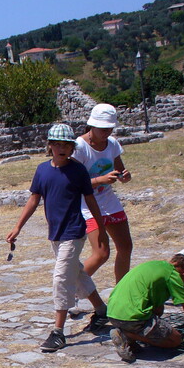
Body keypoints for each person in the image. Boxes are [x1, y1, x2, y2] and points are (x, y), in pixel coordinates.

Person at [6, 123, 109, 352]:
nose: (62, 148)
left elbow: (90, 199)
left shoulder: (79, 171)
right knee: (77, 274)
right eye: (57, 144)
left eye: (67, 145)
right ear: (50, 146)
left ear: (72, 147)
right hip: (56, 233)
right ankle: (102, 311)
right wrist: (18, 228)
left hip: (74, 232)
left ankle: (58, 332)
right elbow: (34, 200)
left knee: (61, 278)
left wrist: (101, 226)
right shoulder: (42, 170)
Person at [107, 249, 184, 362]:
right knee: (175, 340)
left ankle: (130, 334)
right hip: (132, 318)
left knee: (159, 309)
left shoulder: (155, 265)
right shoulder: (174, 275)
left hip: (112, 313)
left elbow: (157, 305)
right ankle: (127, 335)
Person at [72, 103, 134, 282]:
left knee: (125, 247)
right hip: (86, 204)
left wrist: (125, 176)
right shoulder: (79, 147)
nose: (106, 133)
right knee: (101, 253)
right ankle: (73, 289)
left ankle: (121, 292)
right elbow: (73, 183)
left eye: (109, 129)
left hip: (108, 201)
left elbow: (120, 169)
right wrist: (100, 180)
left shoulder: (112, 144)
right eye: (102, 129)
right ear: (92, 125)